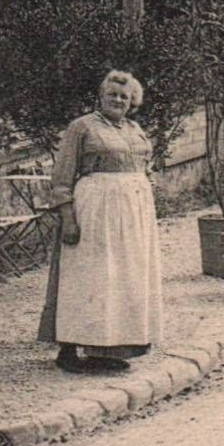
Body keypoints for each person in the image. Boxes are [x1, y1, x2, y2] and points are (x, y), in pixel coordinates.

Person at [39, 70, 162, 374]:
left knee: (123, 278)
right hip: (96, 209)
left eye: (124, 96)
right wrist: (68, 218)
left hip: (133, 215)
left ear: (132, 100)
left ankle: (107, 348)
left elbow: (145, 168)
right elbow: (62, 178)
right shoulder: (82, 127)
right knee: (90, 275)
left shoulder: (135, 129)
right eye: (112, 94)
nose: (118, 100)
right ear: (101, 96)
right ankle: (69, 349)